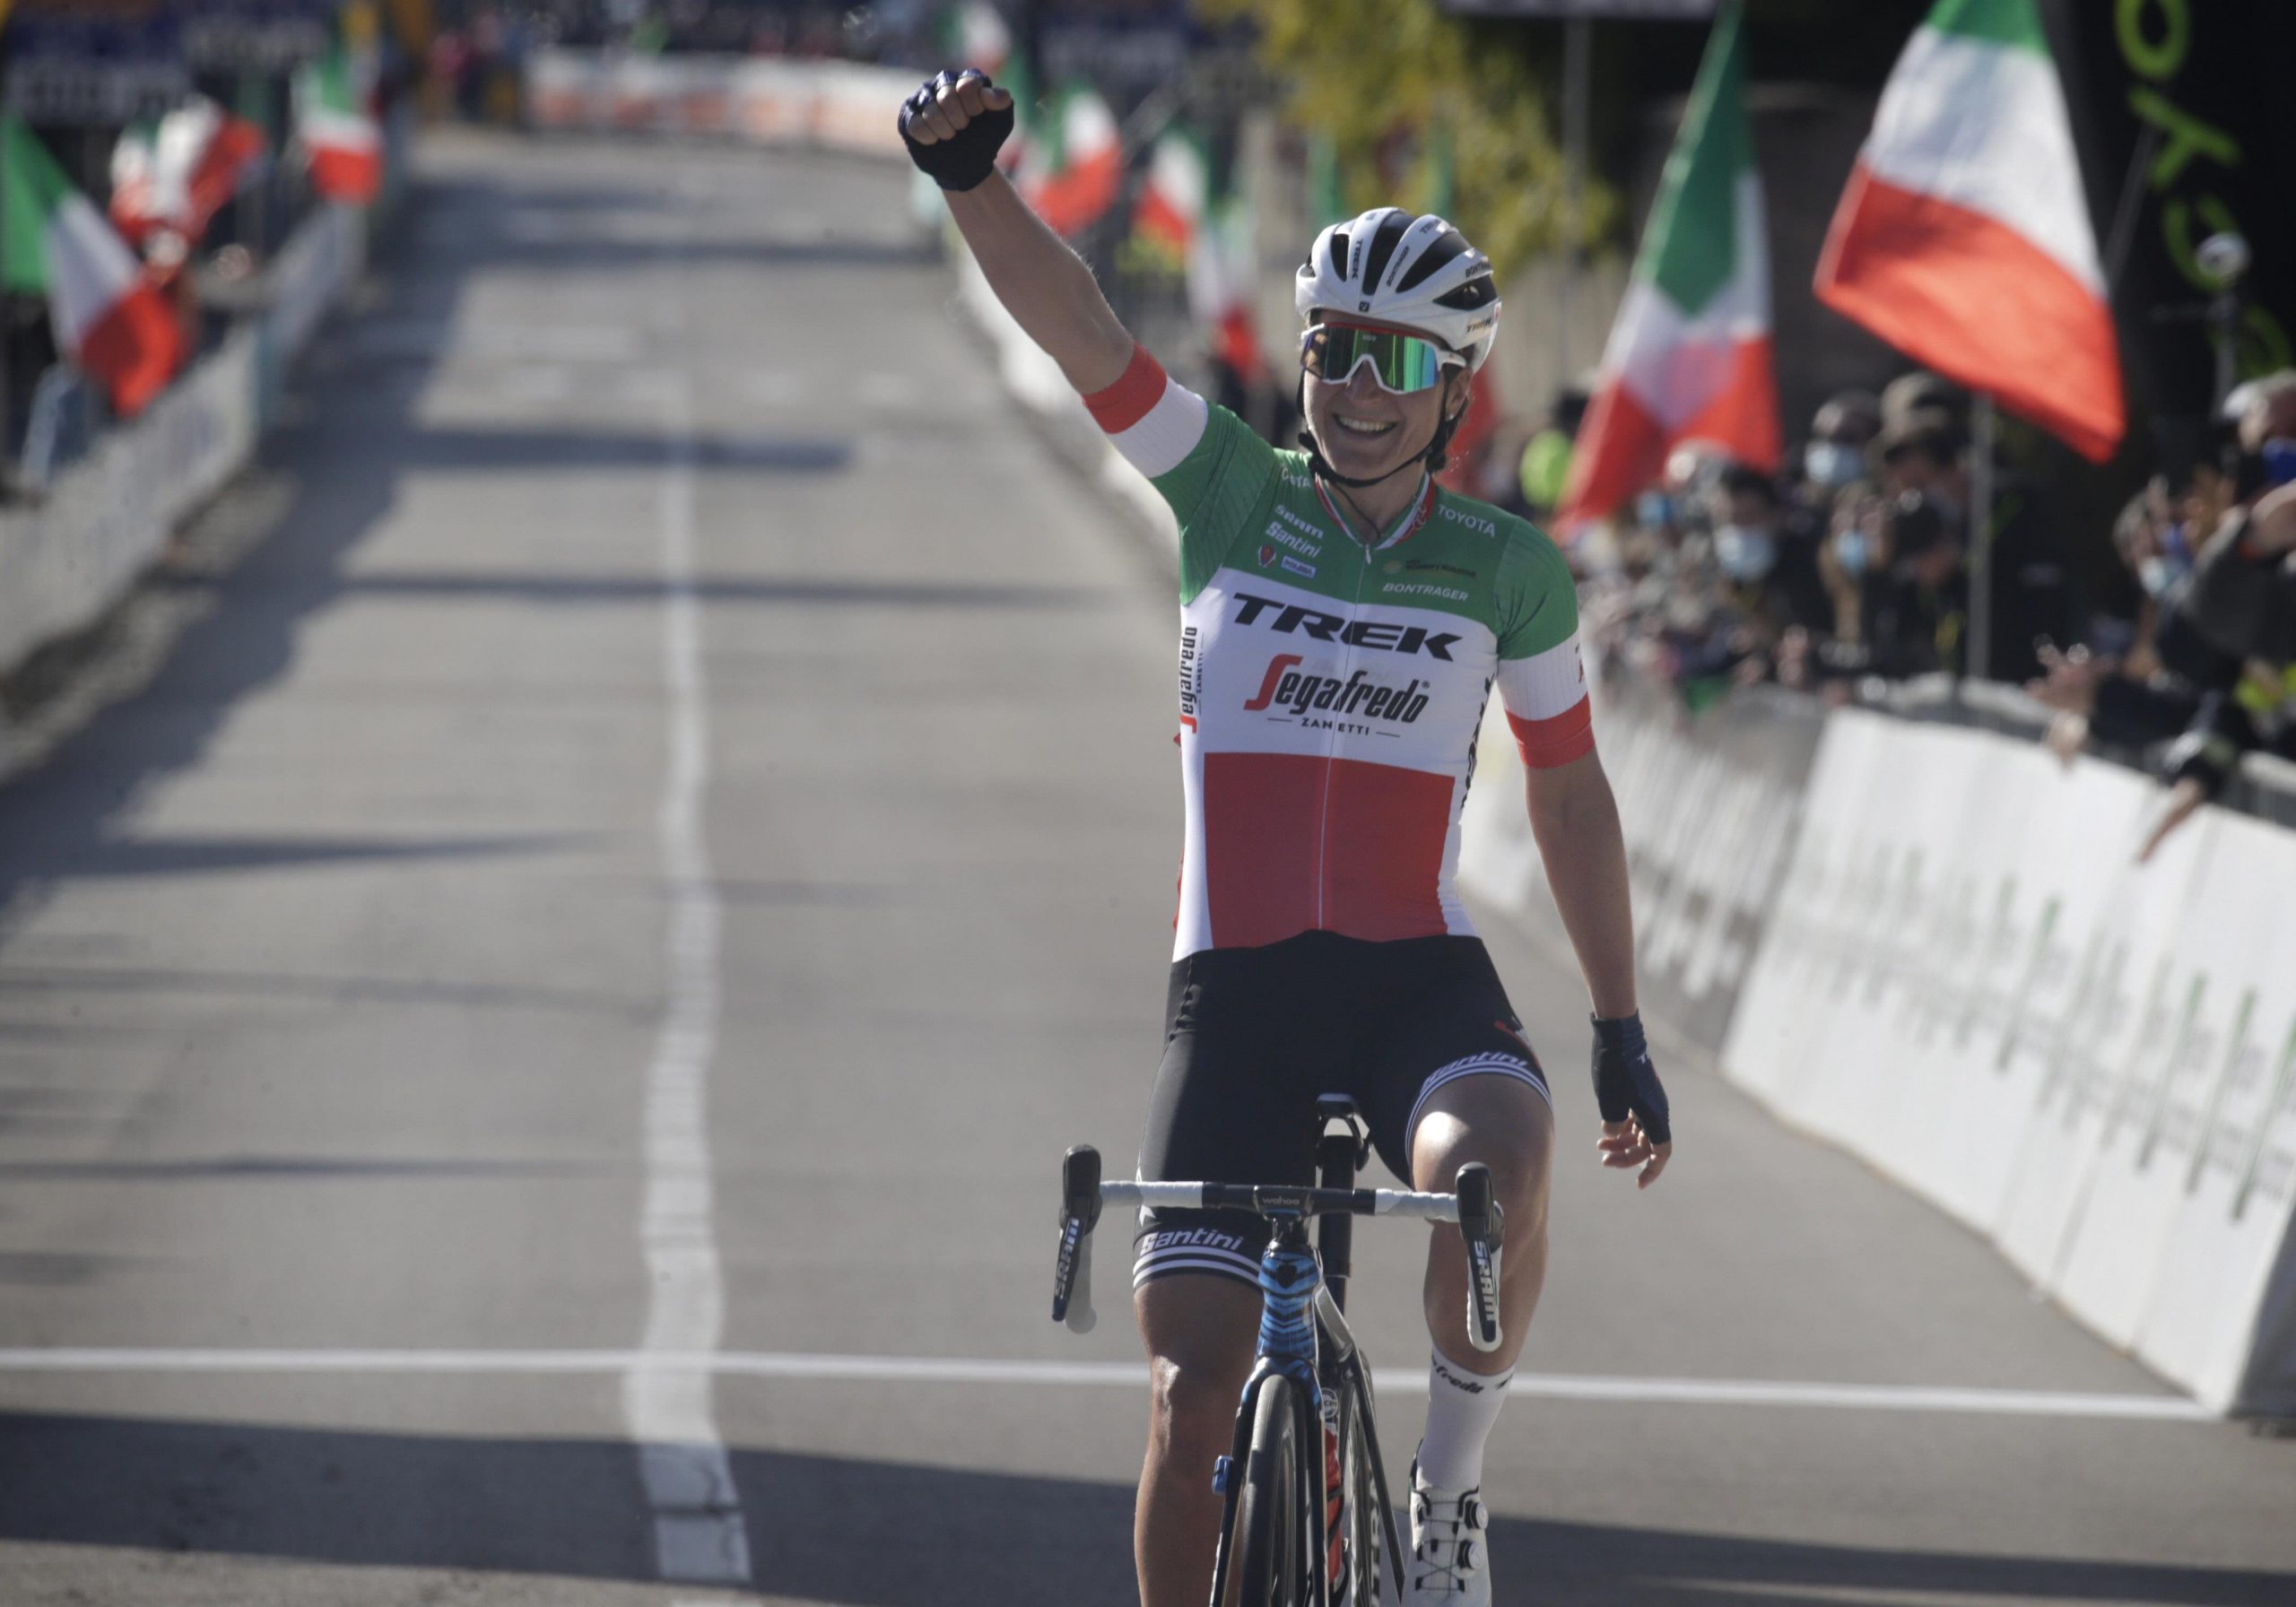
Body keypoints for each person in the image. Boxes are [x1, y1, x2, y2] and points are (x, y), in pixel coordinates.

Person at [898, 68, 1672, 1607]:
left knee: (1496, 1169)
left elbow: (1572, 795)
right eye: (1332, 349)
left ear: (1456, 389)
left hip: (1414, 988)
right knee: (1190, 1400)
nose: (1357, 386)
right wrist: (975, 181)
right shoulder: (1230, 494)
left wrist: (1618, 1025)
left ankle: (1448, 1496)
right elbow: (1085, 332)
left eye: (1398, 359)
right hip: (1238, 996)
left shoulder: (1508, 570)